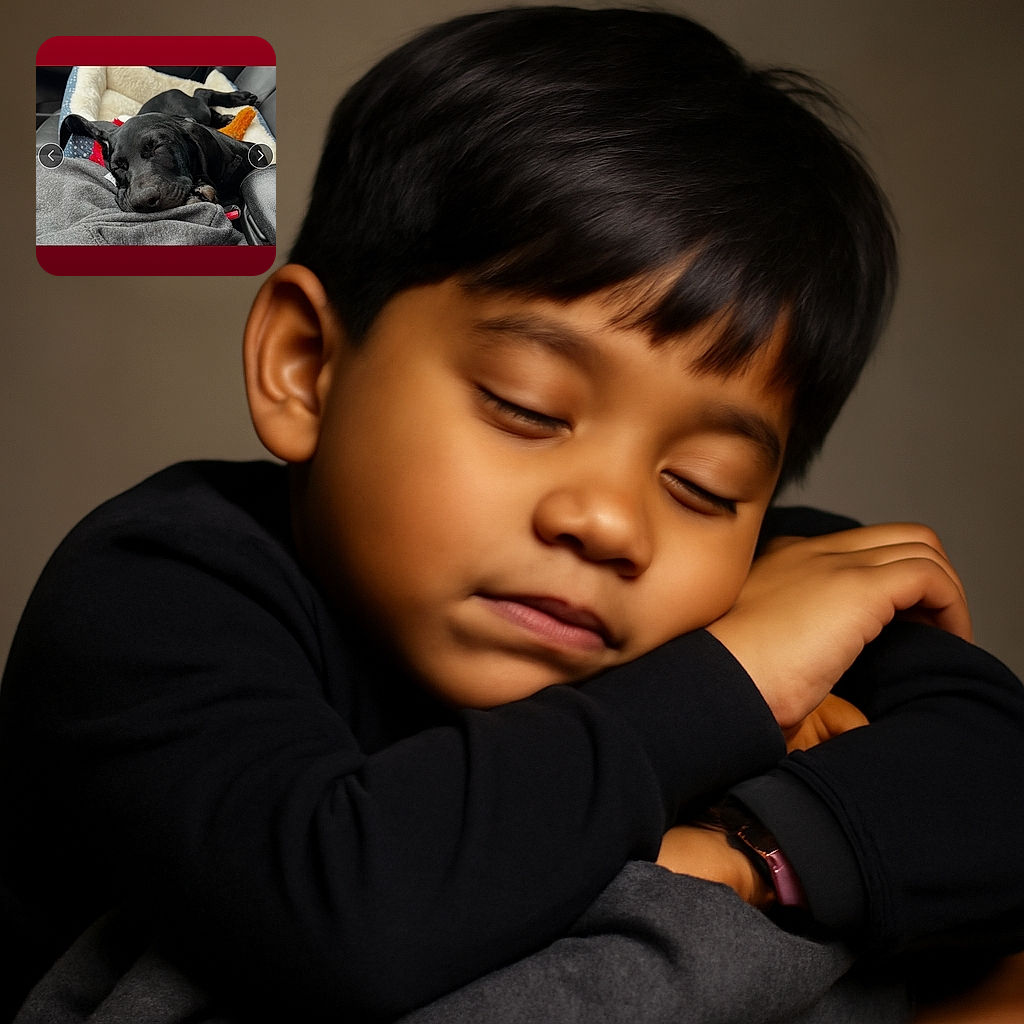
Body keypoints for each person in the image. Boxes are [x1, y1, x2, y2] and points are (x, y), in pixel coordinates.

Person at [3, 7, 1023, 1022]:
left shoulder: (766, 583)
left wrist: (753, 855)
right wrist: (737, 683)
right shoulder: (155, 587)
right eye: (527, 408)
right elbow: (343, 912)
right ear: (307, 367)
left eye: (703, 484)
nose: (611, 522)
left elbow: (997, 785)